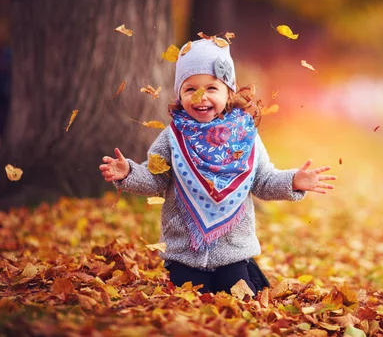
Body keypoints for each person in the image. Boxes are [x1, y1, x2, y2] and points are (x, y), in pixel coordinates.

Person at [99, 37, 336, 295]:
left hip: (233, 250)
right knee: (187, 296)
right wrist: (129, 173)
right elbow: (155, 179)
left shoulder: (245, 137)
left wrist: (292, 181)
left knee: (237, 293)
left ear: (228, 92)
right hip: (185, 252)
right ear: (179, 94)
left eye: (211, 88)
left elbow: (263, 181)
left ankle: (248, 272)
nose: (201, 97)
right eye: (190, 90)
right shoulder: (173, 136)